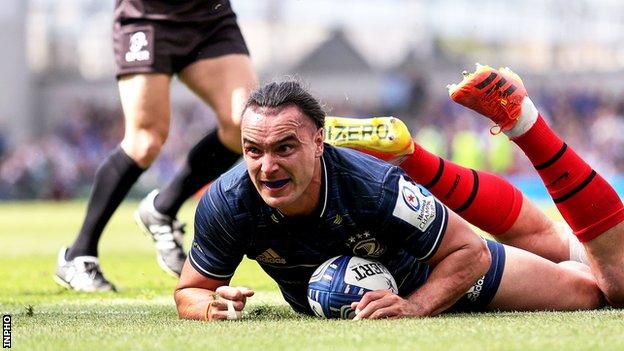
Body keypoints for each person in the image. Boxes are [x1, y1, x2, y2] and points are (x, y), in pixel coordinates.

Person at [173, 80, 603, 321]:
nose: (267, 166)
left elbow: (469, 252)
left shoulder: (376, 187)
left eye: (285, 148)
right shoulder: (228, 200)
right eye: (253, 150)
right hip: (344, 296)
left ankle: (568, 250)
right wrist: (210, 308)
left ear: (319, 142)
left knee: (589, 293)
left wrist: (415, 305)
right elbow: (189, 291)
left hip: (432, 270)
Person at [54, 0, 258, 292]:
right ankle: (78, 254)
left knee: (244, 124)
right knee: (144, 142)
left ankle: (163, 208)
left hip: (210, 16)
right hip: (146, 17)